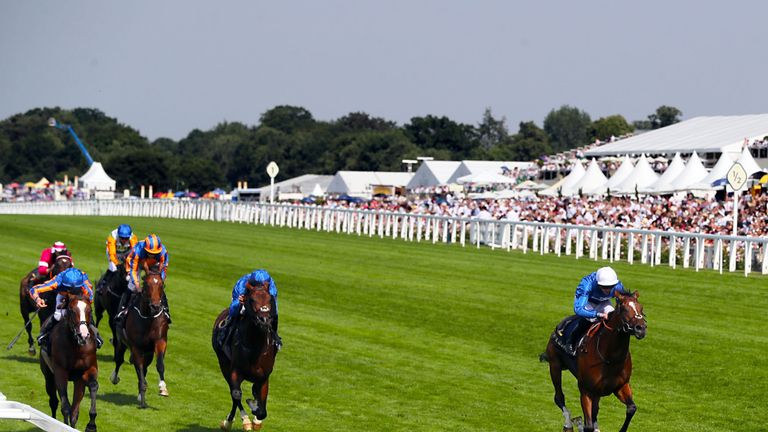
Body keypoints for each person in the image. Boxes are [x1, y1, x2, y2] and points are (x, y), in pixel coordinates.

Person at [562, 266, 629, 356]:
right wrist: (598, 314)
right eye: (604, 287)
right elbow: (578, 309)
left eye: (610, 287)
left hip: (603, 301)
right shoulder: (586, 285)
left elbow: (622, 304)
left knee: (612, 318)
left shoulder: (618, 286)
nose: (608, 290)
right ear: (598, 284)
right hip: (587, 301)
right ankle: (571, 340)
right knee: (590, 319)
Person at [31, 267, 103, 348]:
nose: (71, 291)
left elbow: (90, 298)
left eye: (73, 289)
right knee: (58, 316)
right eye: (68, 288)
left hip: (80, 296)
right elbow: (34, 289)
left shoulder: (84, 281)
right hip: (63, 296)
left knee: (84, 312)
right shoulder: (57, 281)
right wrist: (38, 299)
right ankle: (45, 333)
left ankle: (97, 336)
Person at [221, 269, 281, 351]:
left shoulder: (271, 287)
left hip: (263, 295)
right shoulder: (242, 286)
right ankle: (226, 335)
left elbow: (272, 305)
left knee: (274, 313)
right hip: (246, 296)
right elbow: (233, 311)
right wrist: (240, 303)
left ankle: (275, 337)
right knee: (237, 313)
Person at [116, 234, 170, 323]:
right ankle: (122, 310)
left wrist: (161, 281)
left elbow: (164, 268)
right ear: (145, 249)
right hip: (138, 263)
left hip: (154, 264)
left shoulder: (163, 252)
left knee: (157, 286)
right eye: (150, 253)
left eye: (155, 253)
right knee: (131, 285)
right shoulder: (137, 251)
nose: (152, 255)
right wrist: (137, 286)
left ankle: (166, 311)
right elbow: (133, 270)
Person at [100, 224, 138, 292]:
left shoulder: (133, 238)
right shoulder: (112, 237)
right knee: (113, 268)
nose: (124, 240)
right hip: (114, 252)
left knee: (129, 269)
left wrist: (129, 263)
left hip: (127, 252)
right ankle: (102, 284)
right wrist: (117, 264)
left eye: (126, 238)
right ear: (118, 235)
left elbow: (135, 253)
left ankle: (133, 287)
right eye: (122, 238)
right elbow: (112, 254)